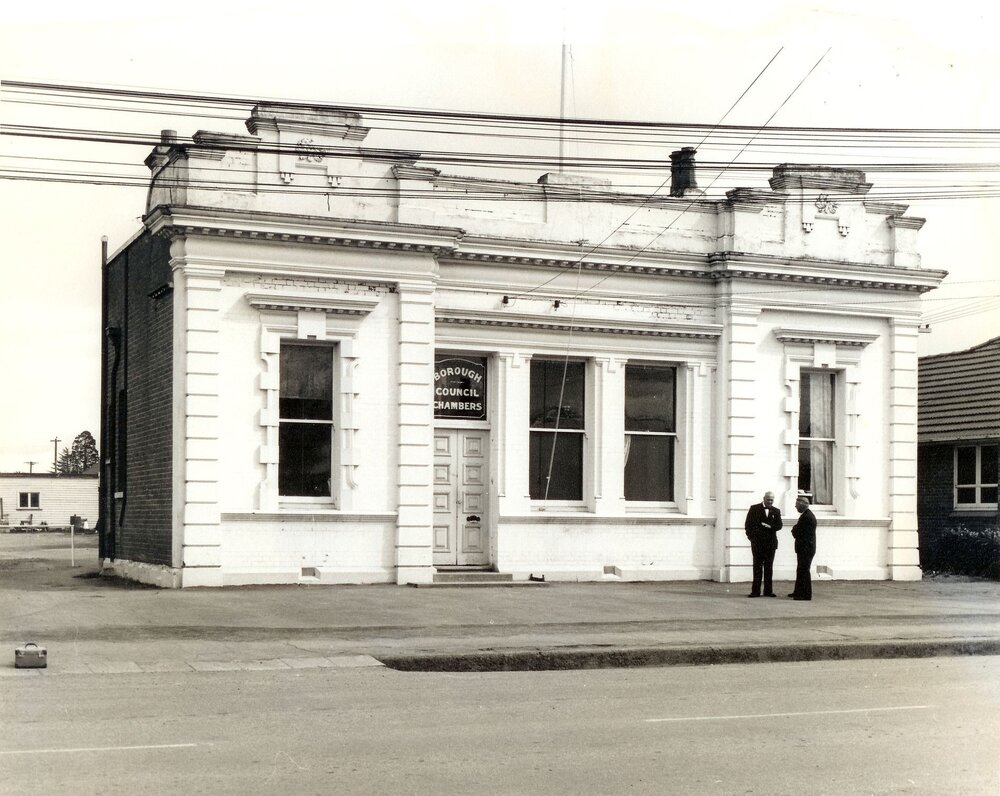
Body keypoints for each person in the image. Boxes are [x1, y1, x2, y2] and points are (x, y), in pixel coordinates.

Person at [744, 491, 782, 597]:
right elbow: (748, 525)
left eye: (772, 500)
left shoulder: (776, 511)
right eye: (768, 499)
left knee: (769, 567)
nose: (770, 501)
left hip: (771, 544)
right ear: (764, 498)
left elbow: (779, 525)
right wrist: (752, 539)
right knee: (757, 567)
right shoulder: (754, 509)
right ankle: (755, 591)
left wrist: (770, 527)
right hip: (757, 544)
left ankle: (768, 591)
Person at [788, 494, 817, 601]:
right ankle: (799, 592)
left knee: (804, 570)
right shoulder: (807, 515)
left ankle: (805, 594)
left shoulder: (806, 517)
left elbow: (797, 532)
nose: (795, 507)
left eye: (796, 505)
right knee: (801, 570)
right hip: (806, 548)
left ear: (802, 505)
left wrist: (794, 529)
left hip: (806, 548)